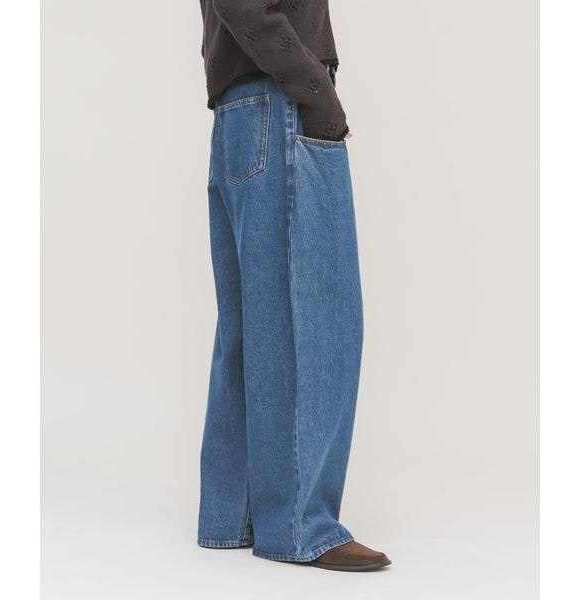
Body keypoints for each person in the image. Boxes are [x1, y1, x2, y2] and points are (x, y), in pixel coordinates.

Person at [197, 0, 390, 572]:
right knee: (312, 317)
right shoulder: (296, 92)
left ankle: (233, 515)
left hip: (246, 106)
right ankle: (300, 525)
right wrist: (316, 91)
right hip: (280, 100)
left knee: (253, 323)